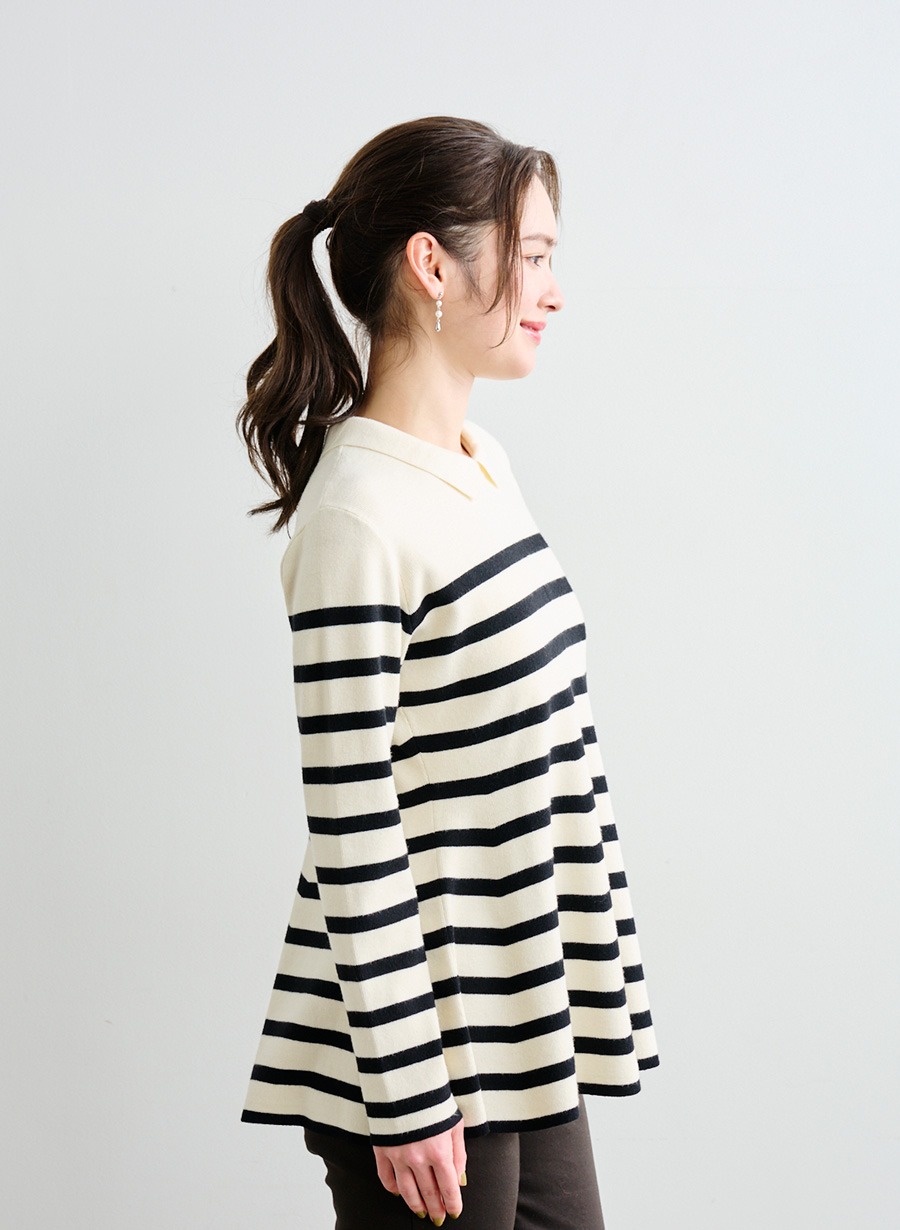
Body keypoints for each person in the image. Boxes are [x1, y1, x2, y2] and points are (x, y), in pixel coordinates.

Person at [236, 116, 659, 1229]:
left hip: (521, 1013)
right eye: (533, 256)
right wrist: (408, 1089)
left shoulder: (478, 463)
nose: (553, 291)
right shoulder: (357, 514)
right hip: (419, 1049)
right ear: (432, 263)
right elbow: (353, 820)